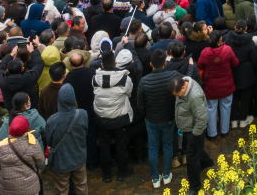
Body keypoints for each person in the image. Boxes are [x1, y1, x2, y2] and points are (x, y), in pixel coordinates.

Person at [137, 48, 178, 189]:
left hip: (152, 120)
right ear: (165, 63)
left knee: (153, 149)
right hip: (168, 118)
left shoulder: (144, 81)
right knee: (168, 145)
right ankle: (166, 175)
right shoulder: (173, 76)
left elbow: (140, 105)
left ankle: (155, 178)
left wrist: (146, 116)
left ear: (150, 64)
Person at [92, 49, 134, 182]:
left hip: (102, 118)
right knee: (121, 147)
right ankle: (122, 172)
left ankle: (106, 174)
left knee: (104, 147)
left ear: (102, 64)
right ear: (115, 62)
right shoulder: (124, 78)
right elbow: (129, 93)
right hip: (120, 118)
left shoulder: (95, 79)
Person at [43, 84, 89, 195]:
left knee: (62, 190)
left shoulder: (52, 120)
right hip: (79, 158)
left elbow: (49, 142)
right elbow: (85, 132)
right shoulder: (82, 114)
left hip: (61, 162)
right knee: (82, 186)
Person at [170, 74, 210, 195]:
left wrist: (194, 135)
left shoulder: (194, 96)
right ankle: (207, 161)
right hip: (187, 128)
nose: (178, 98)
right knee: (194, 150)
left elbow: (202, 119)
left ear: (183, 88)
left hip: (195, 130)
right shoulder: (183, 87)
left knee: (191, 160)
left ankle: (195, 187)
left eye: (178, 95)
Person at [196, 31, 238, 140]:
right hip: (226, 86)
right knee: (226, 107)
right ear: (220, 40)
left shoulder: (205, 52)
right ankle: (224, 130)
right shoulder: (227, 50)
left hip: (211, 88)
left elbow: (200, 65)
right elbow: (235, 63)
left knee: (210, 109)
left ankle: (212, 133)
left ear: (210, 40)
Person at [0, 115, 43, 195]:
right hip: (30, 187)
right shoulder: (33, 143)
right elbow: (40, 162)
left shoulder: (0, 148)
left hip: (7, 188)